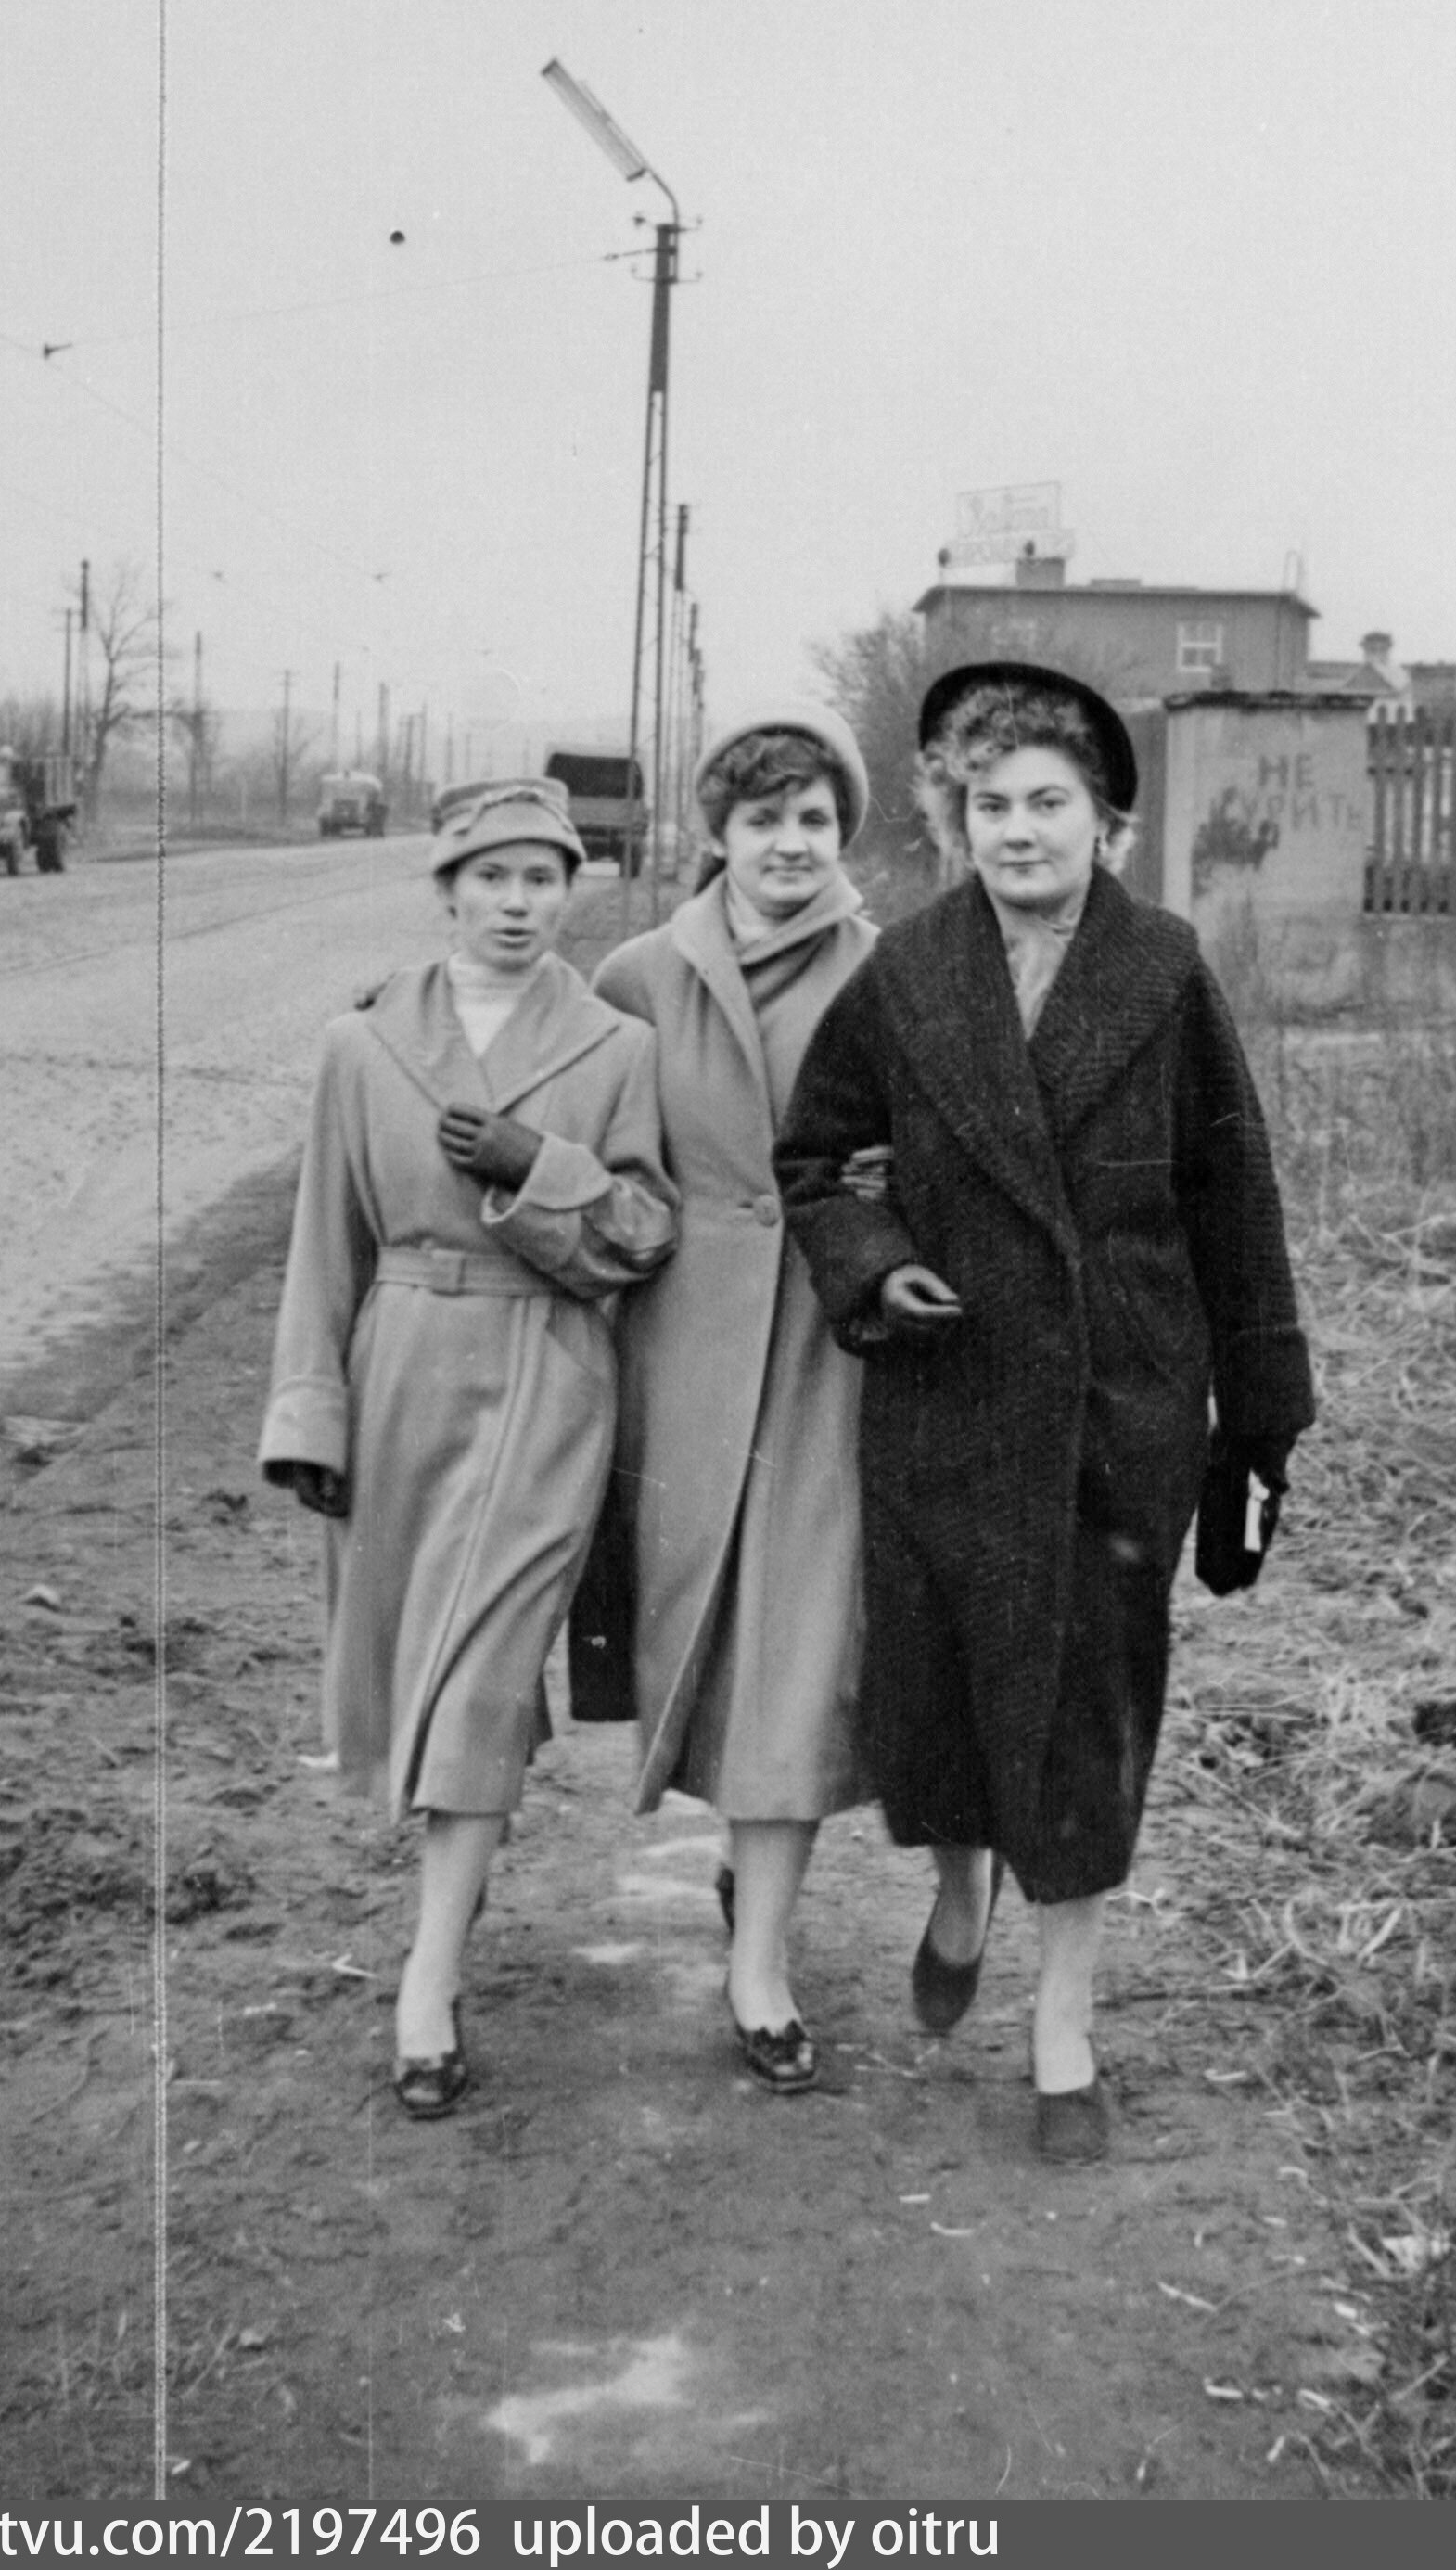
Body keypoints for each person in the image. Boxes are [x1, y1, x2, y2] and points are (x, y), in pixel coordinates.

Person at [775, 661, 1313, 2162]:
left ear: (1106, 822)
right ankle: (961, 1888)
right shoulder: (908, 975)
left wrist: (1260, 1428)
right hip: (945, 1400)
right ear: (958, 824)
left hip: (1115, 1410)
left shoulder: (1165, 972)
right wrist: (874, 1266)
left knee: (1085, 1725)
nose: (1018, 831)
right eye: (991, 805)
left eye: (1048, 803)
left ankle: (1063, 2027)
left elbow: (1237, 1202)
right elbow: (815, 1158)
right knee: (947, 1703)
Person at [258, 779, 676, 2119]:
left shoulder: (615, 1046)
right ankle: (458, 1878)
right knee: (408, 1674)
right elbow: (325, 1244)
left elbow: (642, 1234)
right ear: (445, 890)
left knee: (486, 1671)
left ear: (571, 892)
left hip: (548, 1377)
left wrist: (537, 1166)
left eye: (541, 878)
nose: (515, 903)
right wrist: (308, 1415)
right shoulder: (361, 1044)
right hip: (400, 1375)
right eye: (489, 877)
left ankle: (428, 1979)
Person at [592, 703, 876, 2095]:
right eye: (764, 820)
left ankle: (760, 1961)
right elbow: (568, 1114)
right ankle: (736, 1862)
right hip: (684, 1345)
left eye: (815, 819)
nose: (790, 844)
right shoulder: (641, 975)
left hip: (831, 1349)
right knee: (694, 1632)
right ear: (718, 832)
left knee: (800, 1650)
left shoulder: (893, 971)